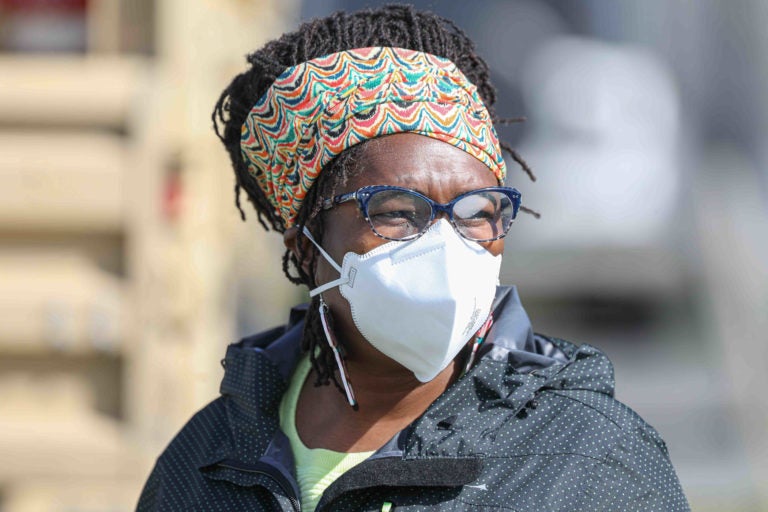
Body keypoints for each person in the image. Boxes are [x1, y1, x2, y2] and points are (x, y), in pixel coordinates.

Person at [137, 5, 689, 511]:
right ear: (307, 246)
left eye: (478, 211)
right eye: (398, 212)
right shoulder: (206, 464)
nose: (448, 246)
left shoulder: (585, 458)